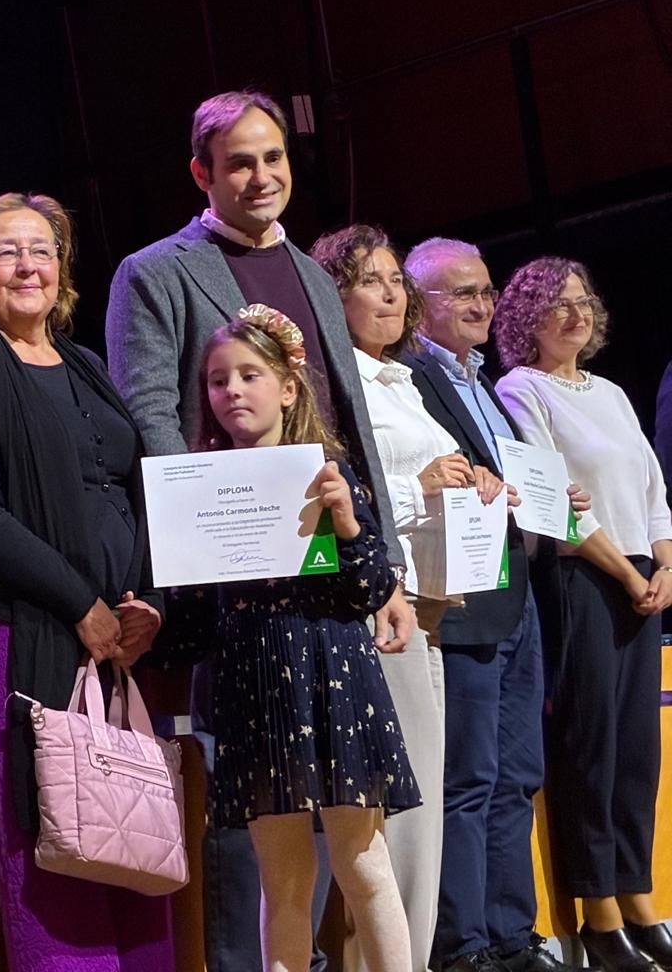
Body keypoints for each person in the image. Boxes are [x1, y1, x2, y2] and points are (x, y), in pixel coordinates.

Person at [105, 89, 413, 972]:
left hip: (328, 600)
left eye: (273, 158)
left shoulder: (317, 277)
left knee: (357, 848)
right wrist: (201, 541)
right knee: (262, 848)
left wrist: (383, 567)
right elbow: (150, 415)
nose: (261, 176)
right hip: (238, 596)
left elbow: (345, 424)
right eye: (238, 161)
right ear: (202, 172)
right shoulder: (156, 270)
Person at [0, 192, 170, 972]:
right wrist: (82, 604)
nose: (28, 265)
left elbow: (129, 491)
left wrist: (141, 604)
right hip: (17, 634)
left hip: (113, 640)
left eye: (42, 249)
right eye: (5, 251)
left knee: (127, 839)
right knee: (50, 846)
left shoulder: (86, 366)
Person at [312, 225, 522, 972]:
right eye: (371, 280)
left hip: (430, 607)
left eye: (396, 279)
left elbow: (436, 471)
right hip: (377, 606)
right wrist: (421, 484)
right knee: (396, 816)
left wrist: (480, 481)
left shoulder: (400, 378)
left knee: (423, 805)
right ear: (331, 295)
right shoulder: (338, 384)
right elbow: (340, 495)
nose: (392, 293)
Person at [198, 306, 416, 972]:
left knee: (361, 861)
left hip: (330, 671)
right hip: (256, 679)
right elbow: (196, 602)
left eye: (249, 375)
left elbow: (372, 584)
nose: (232, 390)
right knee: (282, 879)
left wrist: (348, 525)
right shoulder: (203, 485)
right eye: (217, 380)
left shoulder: (326, 476)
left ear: (289, 388)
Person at [399, 237, 588, 972]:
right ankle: (463, 943)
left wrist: (553, 500)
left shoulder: (485, 380)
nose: (482, 305)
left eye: (486, 291)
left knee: (518, 774)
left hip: (516, 592)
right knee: (468, 779)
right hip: (462, 594)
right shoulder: (412, 378)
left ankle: (513, 933)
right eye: (462, 293)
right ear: (420, 306)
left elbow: (507, 478)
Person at [493, 259, 672, 972]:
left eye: (581, 302)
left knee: (638, 752)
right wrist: (629, 572)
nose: (574, 314)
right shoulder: (520, 388)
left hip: (642, 579)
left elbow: (654, 486)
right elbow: (550, 497)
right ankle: (598, 916)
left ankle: (639, 899)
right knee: (593, 747)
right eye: (554, 305)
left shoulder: (614, 393)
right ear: (524, 322)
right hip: (584, 579)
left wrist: (666, 564)